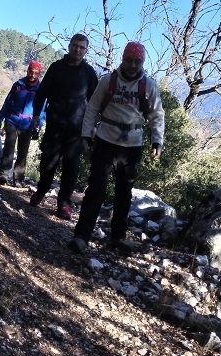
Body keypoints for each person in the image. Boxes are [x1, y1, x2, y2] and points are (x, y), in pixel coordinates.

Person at [67, 41, 165, 254]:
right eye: (129, 60)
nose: (133, 65)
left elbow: (157, 115)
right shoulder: (107, 81)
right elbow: (92, 108)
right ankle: (81, 236)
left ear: (142, 62)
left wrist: (157, 141)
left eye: (137, 61)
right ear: (123, 59)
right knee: (96, 189)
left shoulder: (148, 86)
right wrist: (86, 135)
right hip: (105, 142)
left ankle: (118, 238)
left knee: (124, 193)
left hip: (132, 146)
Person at [29, 34, 98, 220]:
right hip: (55, 125)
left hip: (77, 130)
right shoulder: (56, 67)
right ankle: (41, 191)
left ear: (86, 51)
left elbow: (95, 101)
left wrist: (93, 126)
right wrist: (36, 115)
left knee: (71, 166)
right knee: (48, 162)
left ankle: (64, 204)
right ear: (69, 46)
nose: (78, 49)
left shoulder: (89, 73)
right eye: (75, 45)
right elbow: (42, 93)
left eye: (81, 47)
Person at [0, 60, 46, 186]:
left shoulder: (41, 90)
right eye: (30, 72)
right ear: (27, 71)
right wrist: (0, 119)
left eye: (36, 73)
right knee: (9, 147)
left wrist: (38, 126)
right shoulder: (18, 85)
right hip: (12, 120)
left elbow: (43, 111)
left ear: (39, 74)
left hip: (28, 125)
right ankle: (3, 173)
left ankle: (18, 178)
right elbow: (7, 103)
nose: (32, 75)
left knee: (23, 152)